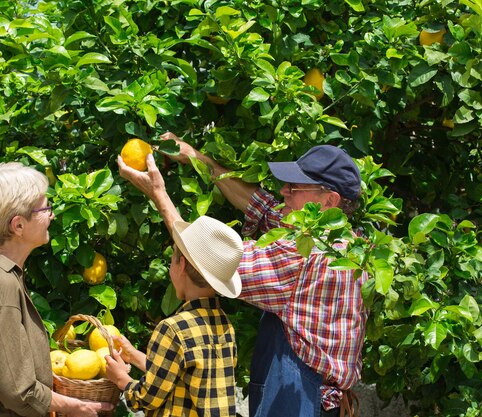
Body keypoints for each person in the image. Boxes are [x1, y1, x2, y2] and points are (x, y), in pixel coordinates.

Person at [117, 133, 368, 417]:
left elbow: (210, 260)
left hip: (298, 403)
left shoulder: (304, 255)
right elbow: (260, 207)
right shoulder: (354, 244)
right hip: (326, 403)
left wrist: (158, 193)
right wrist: (197, 159)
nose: (283, 191)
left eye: (295, 187)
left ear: (328, 200)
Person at [0, 162, 113, 417]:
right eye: (45, 208)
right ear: (18, 226)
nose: (51, 215)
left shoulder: (0, 276)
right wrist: (77, 407)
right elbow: (18, 390)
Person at [105, 215, 243, 417]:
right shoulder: (224, 324)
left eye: (171, 260)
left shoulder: (173, 329)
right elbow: (178, 373)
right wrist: (133, 356)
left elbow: (147, 397)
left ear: (182, 265)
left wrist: (121, 380)